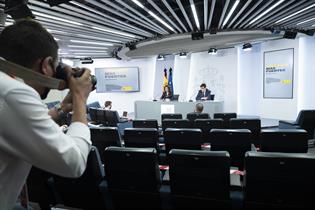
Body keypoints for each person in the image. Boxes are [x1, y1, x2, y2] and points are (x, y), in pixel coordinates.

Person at [0, 20, 93, 210]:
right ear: (46, 64)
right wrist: (80, 100)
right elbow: (73, 163)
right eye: (55, 67)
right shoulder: (13, 92)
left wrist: (63, 108)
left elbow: (17, 126)